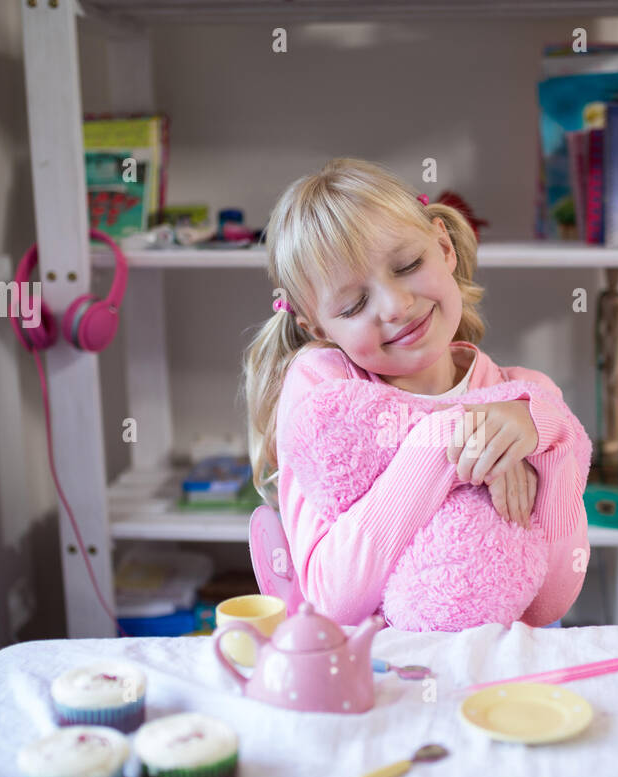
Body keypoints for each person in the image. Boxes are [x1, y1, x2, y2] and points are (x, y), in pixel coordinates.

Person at [241, 158, 590, 628]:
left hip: (493, 683)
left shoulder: (524, 398)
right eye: (354, 305)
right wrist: (446, 445)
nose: (397, 306)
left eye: (408, 265)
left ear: (443, 245)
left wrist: (553, 440)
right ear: (317, 327)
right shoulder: (326, 398)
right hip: (383, 686)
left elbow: (548, 604)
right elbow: (331, 602)